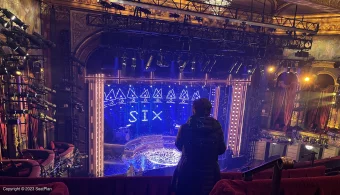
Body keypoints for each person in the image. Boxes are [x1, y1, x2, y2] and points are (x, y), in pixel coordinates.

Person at [172, 98, 226, 195]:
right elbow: (222, 149)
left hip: (188, 173)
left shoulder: (184, 128)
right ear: (209, 111)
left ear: (194, 110)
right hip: (210, 174)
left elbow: (178, 145)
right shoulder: (217, 128)